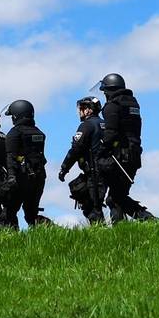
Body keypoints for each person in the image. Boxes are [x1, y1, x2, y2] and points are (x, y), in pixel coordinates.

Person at [96, 73, 156, 222]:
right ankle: (131, 225)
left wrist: (101, 151)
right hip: (134, 154)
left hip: (120, 156)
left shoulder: (112, 106)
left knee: (114, 198)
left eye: (105, 91)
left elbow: (110, 133)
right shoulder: (133, 104)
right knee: (118, 196)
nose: (104, 94)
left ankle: (146, 219)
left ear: (110, 90)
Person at [58, 96, 106, 224]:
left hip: (94, 172)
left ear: (89, 110)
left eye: (82, 108)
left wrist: (64, 168)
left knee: (91, 205)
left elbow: (75, 150)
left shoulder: (86, 125)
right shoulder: (104, 124)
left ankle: (101, 234)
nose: (79, 111)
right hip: (107, 169)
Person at [4, 99, 51, 227]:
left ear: (16, 115)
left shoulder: (14, 134)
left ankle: (12, 239)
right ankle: (49, 229)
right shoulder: (39, 133)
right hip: (39, 177)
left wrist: (11, 177)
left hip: (22, 177)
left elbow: (11, 158)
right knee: (31, 213)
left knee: (9, 212)